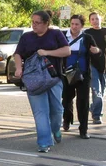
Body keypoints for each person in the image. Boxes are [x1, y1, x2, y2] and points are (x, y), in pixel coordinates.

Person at [14, 10, 70, 153]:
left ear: (46, 23)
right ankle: (44, 143)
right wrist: (19, 68)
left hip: (53, 78)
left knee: (57, 110)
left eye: (37, 22)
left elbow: (66, 51)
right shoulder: (26, 37)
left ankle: (56, 128)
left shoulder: (56, 34)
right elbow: (18, 54)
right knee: (40, 112)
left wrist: (47, 52)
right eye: (32, 22)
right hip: (34, 80)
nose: (34, 25)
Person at [62, 15, 99, 139]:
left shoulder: (87, 38)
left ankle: (83, 130)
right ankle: (67, 119)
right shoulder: (63, 36)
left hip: (83, 75)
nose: (74, 26)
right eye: (72, 24)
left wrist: (96, 51)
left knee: (83, 102)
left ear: (82, 26)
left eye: (77, 24)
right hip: (66, 74)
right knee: (66, 100)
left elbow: (96, 51)